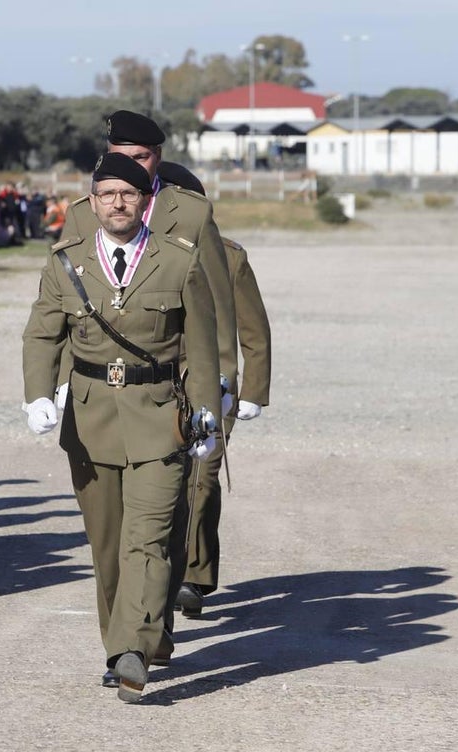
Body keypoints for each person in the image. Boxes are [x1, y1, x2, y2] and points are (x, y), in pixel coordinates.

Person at [21, 153, 220, 703]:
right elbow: (42, 334)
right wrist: (38, 392)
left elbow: (201, 347)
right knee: (107, 544)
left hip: (159, 416)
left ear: (143, 201)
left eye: (128, 195)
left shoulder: (178, 261)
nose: (117, 204)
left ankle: (133, 649)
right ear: (92, 199)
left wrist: (206, 411)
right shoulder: (66, 262)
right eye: (106, 194)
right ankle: (121, 644)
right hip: (89, 420)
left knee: (148, 539)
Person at [57, 111, 239, 651]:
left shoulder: (192, 210)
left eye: (142, 157)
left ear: (159, 156)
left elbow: (215, 301)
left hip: (174, 381)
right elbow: (68, 300)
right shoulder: (84, 211)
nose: (131, 167)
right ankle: (139, 638)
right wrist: (66, 380)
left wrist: (223, 377)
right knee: (113, 535)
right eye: (121, 156)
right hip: (104, 393)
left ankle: (147, 628)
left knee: (168, 513)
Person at [156, 162, 273, 619]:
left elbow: (255, 330)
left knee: (202, 478)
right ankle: (159, 575)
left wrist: (254, 391)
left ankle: (194, 576)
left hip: (214, 382)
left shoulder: (229, 257)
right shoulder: (144, 254)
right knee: (163, 480)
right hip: (160, 381)